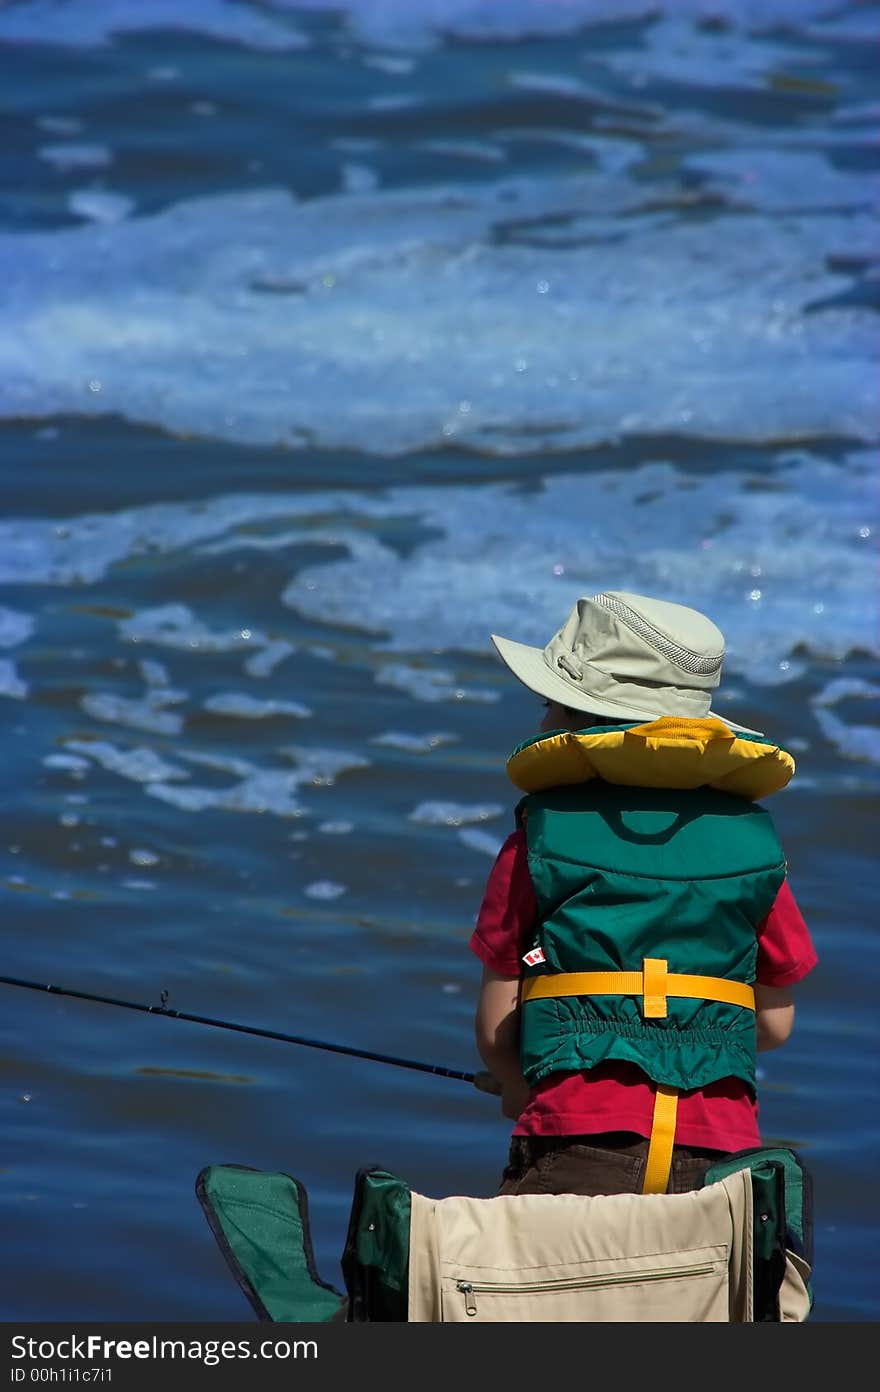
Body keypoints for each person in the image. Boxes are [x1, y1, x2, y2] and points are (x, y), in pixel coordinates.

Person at [470, 590, 818, 1198]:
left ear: (580, 722)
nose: (541, 720)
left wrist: (516, 1083)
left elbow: (499, 1024)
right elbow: (775, 1023)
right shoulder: (755, 845)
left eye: (551, 704)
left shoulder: (538, 838)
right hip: (720, 1152)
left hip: (573, 1137)